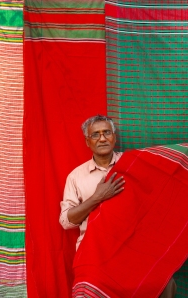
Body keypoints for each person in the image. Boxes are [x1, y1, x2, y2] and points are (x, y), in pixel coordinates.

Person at [60, 114, 176, 297]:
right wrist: (97, 197)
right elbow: (67, 221)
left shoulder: (135, 164)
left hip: (133, 247)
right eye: (96, 135)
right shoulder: (76, 176)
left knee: (165, 282)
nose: (103, 138)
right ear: (87, 141)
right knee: (87, 291)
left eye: (107, 132)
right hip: (95, 254)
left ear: (114, 137)